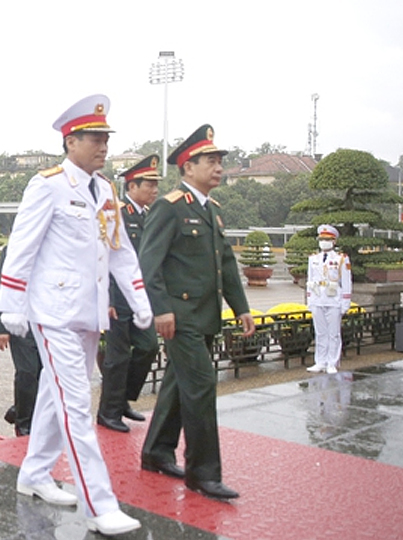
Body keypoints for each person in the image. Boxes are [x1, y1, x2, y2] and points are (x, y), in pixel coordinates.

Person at [0, 95, 151, 536]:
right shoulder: (47, 185)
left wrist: (141, 302)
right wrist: (11, 303)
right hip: (54, 313)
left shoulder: (104, 190)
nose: (103, 146)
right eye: (95, 138)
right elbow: (22, 247)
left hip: (88, 314)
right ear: (71, 141)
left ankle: (34, 473)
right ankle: (100, 505)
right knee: (76, 405)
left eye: (106, 138)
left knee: (54, 394)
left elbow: (120, 252)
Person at [139, 124, 255, 501]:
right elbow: (149, 263)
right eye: (210, 160)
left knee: (177, 385)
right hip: (181, 317)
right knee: (202, 387)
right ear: (188, 167)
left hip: (205, 317)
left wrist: (242, 309)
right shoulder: (169, 207)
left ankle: (157, 452)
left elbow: (226, 265)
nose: (218, 167)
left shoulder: (212, 211)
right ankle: (203, 473)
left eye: (220, 160)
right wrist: (162, 310)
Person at [97, 154, 161, 433]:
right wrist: (107, 299)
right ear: (132, 186)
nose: (154, 190)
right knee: (117, 357)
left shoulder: (149, 216)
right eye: (149, 184)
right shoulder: (117, 213)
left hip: (139, 299)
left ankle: (123, 399)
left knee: (149, 347)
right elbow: (108, 257)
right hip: (118, 300)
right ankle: (108, 412)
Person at [0, 244, 40, 436]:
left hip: (47, 320)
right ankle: (23, 422)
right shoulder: (14, 247)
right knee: (27, 372)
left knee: (44, 373)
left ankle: (24, 411)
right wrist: (2, 327)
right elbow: (2, 286)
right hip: (21, 320)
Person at [306, 224, 352, 374]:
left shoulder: (341, 259)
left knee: (333, 333)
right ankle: (320, 361)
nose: (323, 242)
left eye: (327, 239)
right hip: (318, 299)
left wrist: (345, 303)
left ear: (334, 242)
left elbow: (346, 282)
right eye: (321, 239)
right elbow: (310, 280)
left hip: (334, 300)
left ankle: (332, 361)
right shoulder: (313, 259)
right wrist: (310, 301)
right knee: (320, 333)